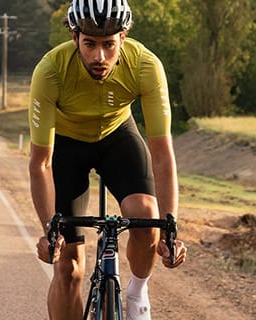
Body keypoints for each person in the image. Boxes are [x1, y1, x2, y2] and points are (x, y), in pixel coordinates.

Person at [28, 1, 187, 319]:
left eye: (108, 44)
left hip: (118, 136)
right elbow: (41, 163)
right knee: (67, 269)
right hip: (68, 145)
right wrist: (50, 231)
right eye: (89, 44)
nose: (99, 56)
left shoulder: (145, 66)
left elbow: (162, 155)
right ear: (75, 38)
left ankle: (137, 293)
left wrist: (170, 230)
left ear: (123, 38)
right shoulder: (51, 70)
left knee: (146, 215)